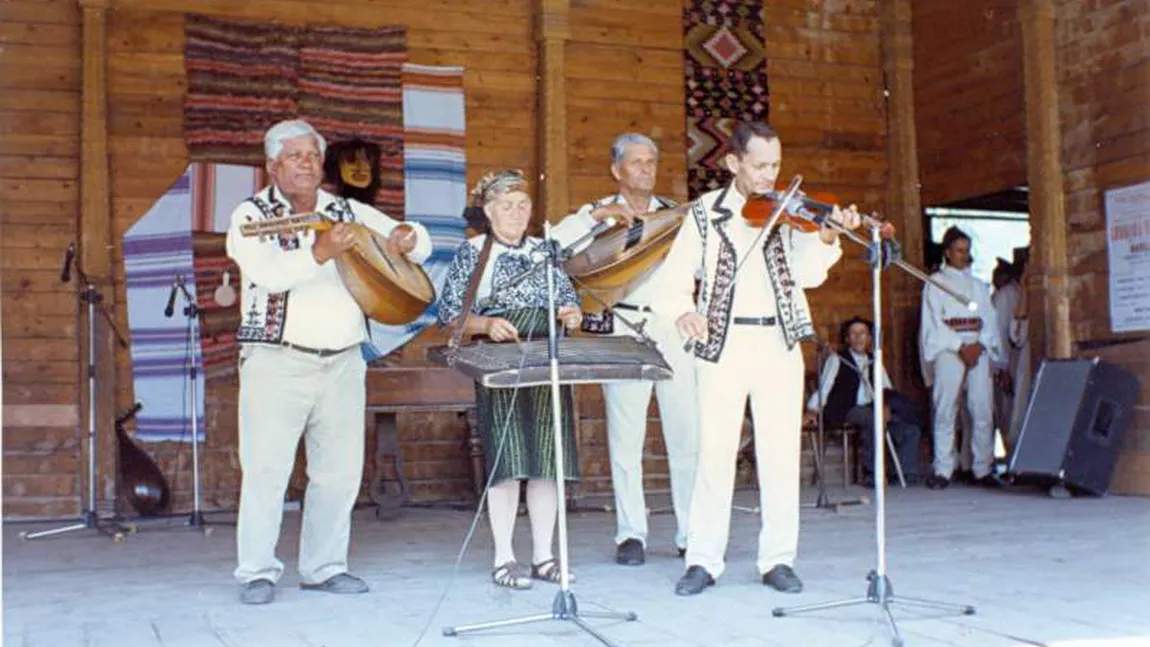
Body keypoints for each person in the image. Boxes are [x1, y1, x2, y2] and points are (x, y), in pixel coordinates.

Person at [226, 119, 432, 605]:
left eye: (313, 156)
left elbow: (420, 242)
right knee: (266, 471)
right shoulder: (250, 215)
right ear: (273, 164)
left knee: (338, 472)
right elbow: (267, 274)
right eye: (295, 156)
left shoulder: (345, 209)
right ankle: (256, 571)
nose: (306, 164)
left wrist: (406, 237)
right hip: (276, 361)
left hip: (342, 362)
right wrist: (321, 250)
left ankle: (323, 567)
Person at [653, 121, 860, 596]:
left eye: (776, 166)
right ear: (733, 163)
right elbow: (676, 276)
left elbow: (809, 275)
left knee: (780, 455)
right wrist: (684, 310)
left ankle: (778, 560)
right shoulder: (704, 214)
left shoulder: (792, 212)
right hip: (722, 346)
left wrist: (826, 236)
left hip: (778, 345)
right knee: (715, 454)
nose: (771, 176)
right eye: (761, 165)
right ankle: (703, 559)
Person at [551, 133, 699, 567]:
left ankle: (691, 533)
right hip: (624, 325)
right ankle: (631, 533)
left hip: (673, 327)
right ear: (617, 170)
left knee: (685, 434)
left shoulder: (676, 217)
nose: (646, 169)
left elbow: (702, 267)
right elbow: (555, 246)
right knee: (626, 435)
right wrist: (596, 218)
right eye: (636, 162)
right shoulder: (597, 212)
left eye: (652, 161)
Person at [437, 169, 584, 590]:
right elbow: (450, 317)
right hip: (498, 362)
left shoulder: (546, 251)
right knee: (508, 462)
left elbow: (569, 300)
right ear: (488, 211)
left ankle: (544, 557)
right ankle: (504, 558)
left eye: (523, 206)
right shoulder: (472, 253)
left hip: (546, 358)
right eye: (506, 206)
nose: (517, 214)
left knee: (546, 460)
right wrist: (485, 324)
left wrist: (571, 313)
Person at [919, 227, 1001, 489]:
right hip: (949, 349)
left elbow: (989, 319)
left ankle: (982, 468)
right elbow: (932, 323)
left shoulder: (979, 286)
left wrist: (979, 345)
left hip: (977, 348)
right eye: (959, 250)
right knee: (945, 409)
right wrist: (959, 345)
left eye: (967, 250)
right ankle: (943, 468)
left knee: (981, 408)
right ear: (947, 252)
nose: (964, 255)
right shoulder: (935, 283)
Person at [804, 317, 922, 486]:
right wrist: (813, 409)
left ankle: (905, 473)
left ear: (869, 338)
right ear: (847, 339)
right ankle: (873, 474)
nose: (858, 337)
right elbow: (825, 386)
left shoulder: (875, 360)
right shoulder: (838, 359)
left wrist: (886, 406)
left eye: (863, 333)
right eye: (853, 333)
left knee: (910, 429)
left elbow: (887, 389)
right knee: (871, 418)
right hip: (847, 408)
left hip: (873, 407)